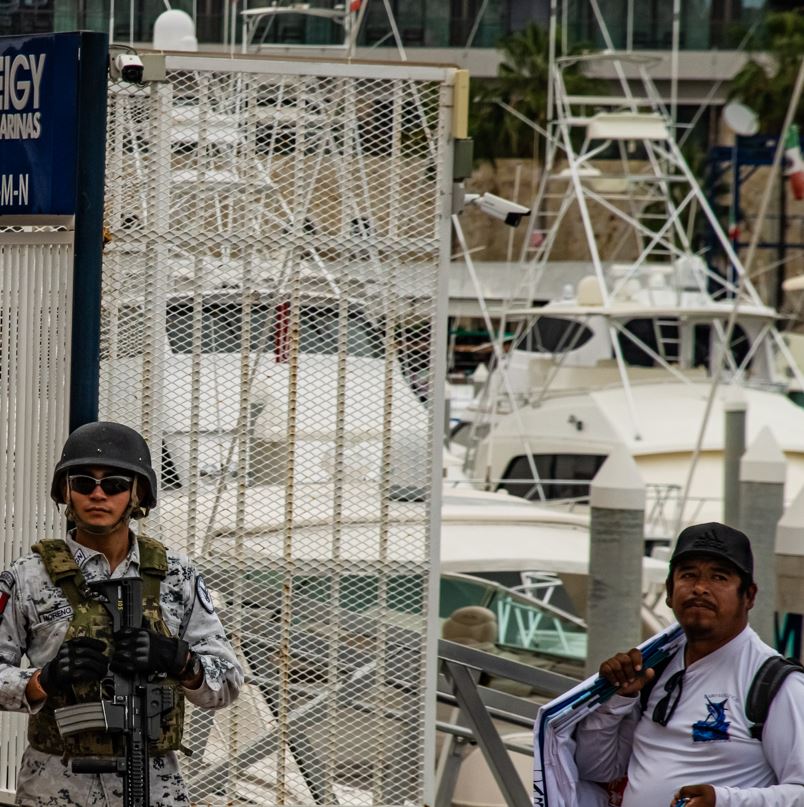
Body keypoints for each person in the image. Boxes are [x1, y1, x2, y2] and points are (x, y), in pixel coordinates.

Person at [0, 421, 244, 806]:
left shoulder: (177, 576)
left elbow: (228, 682)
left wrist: (181, 661)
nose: (98, 494)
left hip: (152, 786)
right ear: (66, 491)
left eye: (114, 484)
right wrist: (41, 681)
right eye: (83, 483)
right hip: (54, 787)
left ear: (137, 493)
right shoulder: (26, 577)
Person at [574, 521, 804, 807]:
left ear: (749, 596)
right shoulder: (652, 670)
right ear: (670, 592)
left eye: (719, 578)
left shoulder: (776, 683)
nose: (699, 588)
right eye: (688, 575)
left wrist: (722, 801)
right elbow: (597, 770)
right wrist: (616, 699)